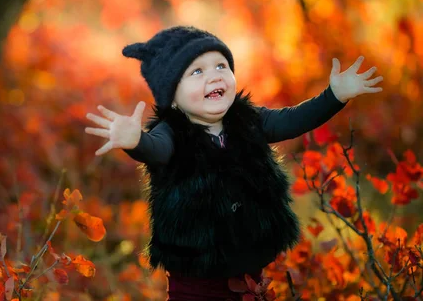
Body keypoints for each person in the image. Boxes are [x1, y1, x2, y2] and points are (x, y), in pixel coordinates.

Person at [84, 26, 383, 300]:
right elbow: (155, 149)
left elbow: (292, 120)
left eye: (221, 66)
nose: (214, 76)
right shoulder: (172, 133)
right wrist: (135, 140)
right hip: (196, 278)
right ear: (172, 96)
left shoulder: (248, 120)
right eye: (197, 72)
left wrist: (333, 97)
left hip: (250, 269)